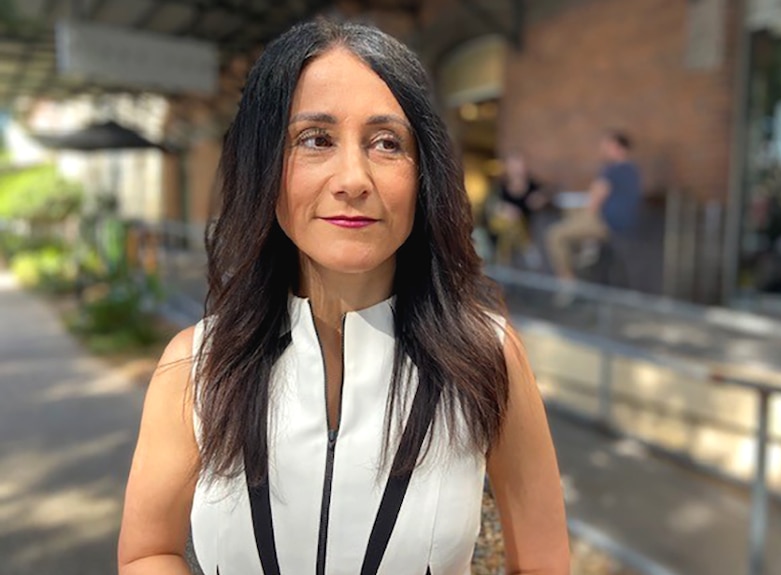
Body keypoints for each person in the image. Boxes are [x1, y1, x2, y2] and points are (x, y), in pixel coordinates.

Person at [117, 19, 569, 575]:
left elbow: (543, 563)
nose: (353, 178)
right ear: (265, 168)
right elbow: (148, 552)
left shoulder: (488, 356)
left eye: (386, 143)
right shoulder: (196, 366)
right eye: (315, 139)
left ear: (422, 173)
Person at [546, 131, 642, 285]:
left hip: (606, 225)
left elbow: (594, 201)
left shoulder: (612, 170)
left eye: (607, 146)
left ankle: (568, 283)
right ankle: (587, 249)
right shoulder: (634, 171)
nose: (603, 151)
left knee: (555, 235)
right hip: (625, 228)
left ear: (618, 147)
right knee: (573, 220)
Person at [486, 152, 548, 267]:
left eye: (520, 164)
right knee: (507, 223)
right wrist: (503, 209)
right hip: (505, 230)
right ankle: (526, 249)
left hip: (528, 228)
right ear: (508, 168)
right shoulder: (500, 187)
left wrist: (541, 200)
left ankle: (504, 261)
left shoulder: (533, 186)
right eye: (513, 165)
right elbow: (491, 207)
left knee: (512, 223)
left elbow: (546, 198)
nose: (517, 169)